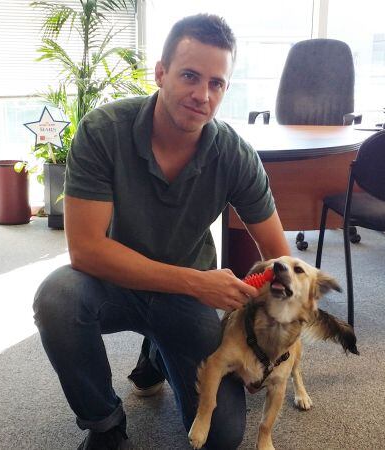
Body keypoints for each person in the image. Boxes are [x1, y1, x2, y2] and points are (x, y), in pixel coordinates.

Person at [33, 13, 289, 450]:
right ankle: (105, 424)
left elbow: (282, 259)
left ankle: (156, 351)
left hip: (184, 301)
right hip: (112, 282)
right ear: (161, 72)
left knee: (222, 438)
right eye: (190, 76)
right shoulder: (103, 131)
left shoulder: (233, 154)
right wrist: (196, 282)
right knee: (58, 298)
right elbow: (87, 252)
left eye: (216, 83)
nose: (202, 95)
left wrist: (264, 340)